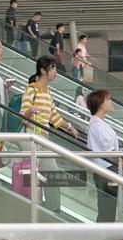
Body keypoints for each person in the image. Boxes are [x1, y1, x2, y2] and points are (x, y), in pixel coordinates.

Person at [20, 56, 79, 212]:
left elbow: (54, 116)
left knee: (52, 174)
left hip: (44, 140)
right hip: (31, 139)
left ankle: (53, 210)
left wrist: (70, 127)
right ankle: (32, 210)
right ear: (42, 71)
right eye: (52, 68)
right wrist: (30, 111)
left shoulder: (47, 93)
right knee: (32, 178)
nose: (55, 72)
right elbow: (22, 115)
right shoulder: (31, 90)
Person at [85, 89, 123, 222]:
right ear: (100, 104)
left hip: (105, 169)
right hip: (106, 170)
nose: (111, 101)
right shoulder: (98, 125)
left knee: (107, 209)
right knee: (107, 210)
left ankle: (104, 234)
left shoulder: (98, 124)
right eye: (108, 99)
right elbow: (110, 151)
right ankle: (103, 234)